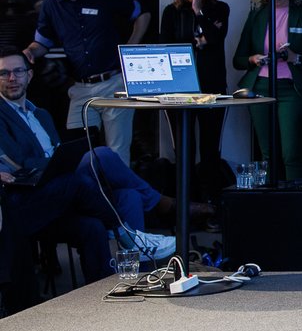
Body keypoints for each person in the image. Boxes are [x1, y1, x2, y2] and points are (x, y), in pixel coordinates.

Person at [0, 49, 174, 294]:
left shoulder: (41, 114)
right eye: (4, 73)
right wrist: (56, 164)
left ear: (29, 75)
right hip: (30, 198)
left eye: (18, 71)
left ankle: (137, 277)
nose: (11, 78)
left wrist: (61, 161)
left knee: (124, 200)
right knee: (98, 156)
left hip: (63, 192)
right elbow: (19, 161)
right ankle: (136, 230)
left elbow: (56, 151)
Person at [22, 0, 145, 160]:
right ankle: (91, 190)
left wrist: (132, 46)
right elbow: (42, 43)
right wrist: (29, 52)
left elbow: (142, 13)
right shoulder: (51, 7)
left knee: (118, 147)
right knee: (78, 145)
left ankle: (120, 191)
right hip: (80, 88)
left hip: (114, 83)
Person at [233, 0, 302, 183]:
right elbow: (238, 59)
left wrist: (296, 57)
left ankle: (296, 202)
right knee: (267, 153)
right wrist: (253, 59)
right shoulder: (256, 17)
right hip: (260, 87)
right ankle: (270, 201)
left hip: (290, 89)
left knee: (291, 153)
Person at [158, 0, 230, 183]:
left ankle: (210, 203)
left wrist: (198, 10)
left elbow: (216, 39)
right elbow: (167, 49)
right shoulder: (171, 12)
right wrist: (199, 41)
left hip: (212, 86)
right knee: (183, 148)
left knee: (210, 148)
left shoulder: (220, 8)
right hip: (179, 88)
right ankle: (186, 206)